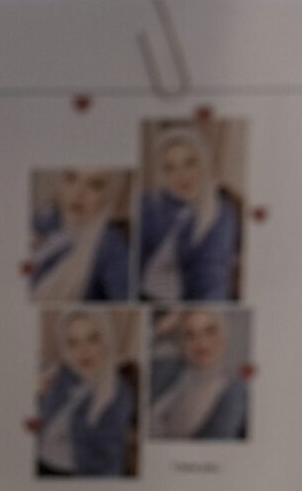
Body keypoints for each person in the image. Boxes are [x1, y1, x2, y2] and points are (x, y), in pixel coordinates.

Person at [139, 125, 241, 301]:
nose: (181, 175)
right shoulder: (149, 203)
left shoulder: (220, 212)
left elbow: (211, 277)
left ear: (204, 164)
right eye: (169, 168)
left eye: (190, 163)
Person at [36, 311, 135, 477]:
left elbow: (108, 458)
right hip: (41, 467)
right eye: (72, 343)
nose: (83, 351)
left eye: (92, 339)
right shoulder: (59, 376)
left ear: (106, 340)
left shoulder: (119, 391)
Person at [30, 168, 132, 301]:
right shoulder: (40, 220)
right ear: (59, 182)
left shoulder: (111, 243)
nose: (78, 194)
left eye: (95, 185)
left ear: (109, 194)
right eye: (71, 178)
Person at [150, 309, 247, 440]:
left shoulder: (233, 391)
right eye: (190, 335)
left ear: (223, 336)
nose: (201, 342)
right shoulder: (168, 371)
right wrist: (159, 328)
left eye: (209, 331)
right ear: (181, 343)